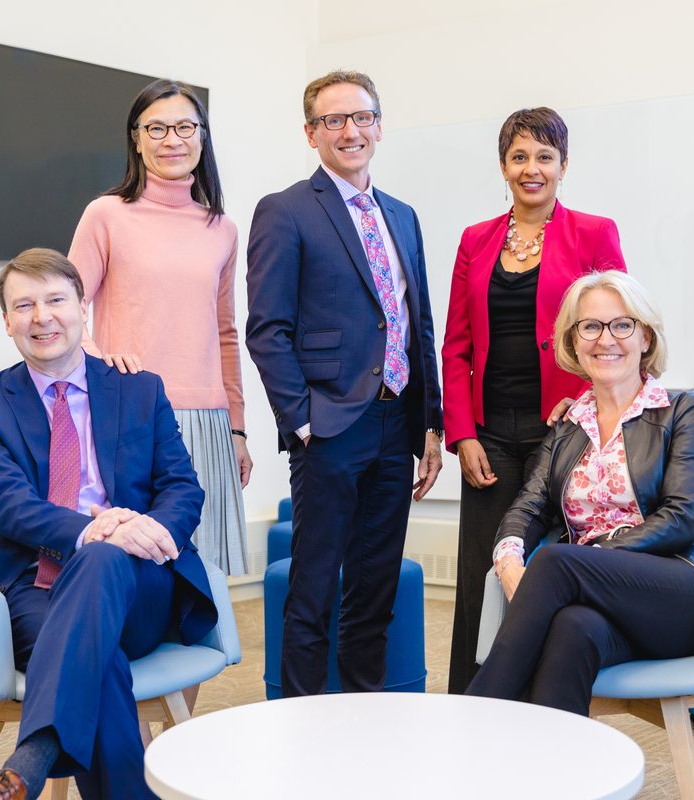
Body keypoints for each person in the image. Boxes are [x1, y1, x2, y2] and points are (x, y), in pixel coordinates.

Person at [0, 249, 217, 799]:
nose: (42, 316)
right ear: (6, 322)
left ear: (82, 309)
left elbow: (182, 487)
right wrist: (91, 529)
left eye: (55, 300)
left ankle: (30, 760)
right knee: (100, 663)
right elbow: (5, 503)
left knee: (101, 559)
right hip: (36, 588)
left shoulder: (139, 389)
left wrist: (142, 534)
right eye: (24, 305)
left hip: (139, 584)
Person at [246, 70, 444, 697]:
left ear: (379, 126)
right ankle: (299, 723)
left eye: (361, 117)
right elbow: (267, 329)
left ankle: (364, 719)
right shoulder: (285, 210)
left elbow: (416, 324)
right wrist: (301, 420)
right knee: (312, 589)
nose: (350, 130)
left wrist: (430, 423)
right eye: (333, 120)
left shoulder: (402, 215)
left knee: (375, 587)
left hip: (396, 422)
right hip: (328, 426)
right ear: (311, 133)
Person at [466, 270, 694, 714]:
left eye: (622, 325)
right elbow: (528, 506)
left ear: (645, 337)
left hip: (682, 596)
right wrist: (509, 559)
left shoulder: (685, 413)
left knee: (556, 562)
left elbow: (682, 519)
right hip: (594, 598)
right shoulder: (568, 426)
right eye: (590, 326)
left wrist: (589, 557)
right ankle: (554, 758)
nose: (605, 339)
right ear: (573, 341)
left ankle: (474, 718)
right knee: (573, 629)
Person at [441, 107, 627, 693]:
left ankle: (542, 705)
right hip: (489, 433)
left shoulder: (594, 233)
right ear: (503, 167)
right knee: (483, 571)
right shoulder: (475, 240)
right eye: (519, 157)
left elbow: (617, 334)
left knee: (548, 568)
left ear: (563, 165)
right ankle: (472, 701)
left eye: (544, 157)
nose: (532, 169)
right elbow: (456, 346)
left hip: (565, 430)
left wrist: (582, 401)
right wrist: (461, 433)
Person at [68, 79, 250, 576]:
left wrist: (236, 427)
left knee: (203, 570)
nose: (172, 139)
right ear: (136, 138)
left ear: (202, 136)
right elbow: (68, 307)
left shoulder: (222, 228)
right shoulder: (105, 215)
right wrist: (99, 357)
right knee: (138, 562)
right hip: (130, 410)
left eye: (185, 127)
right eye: (157, 128)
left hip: (207, 418)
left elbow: (225, 331)